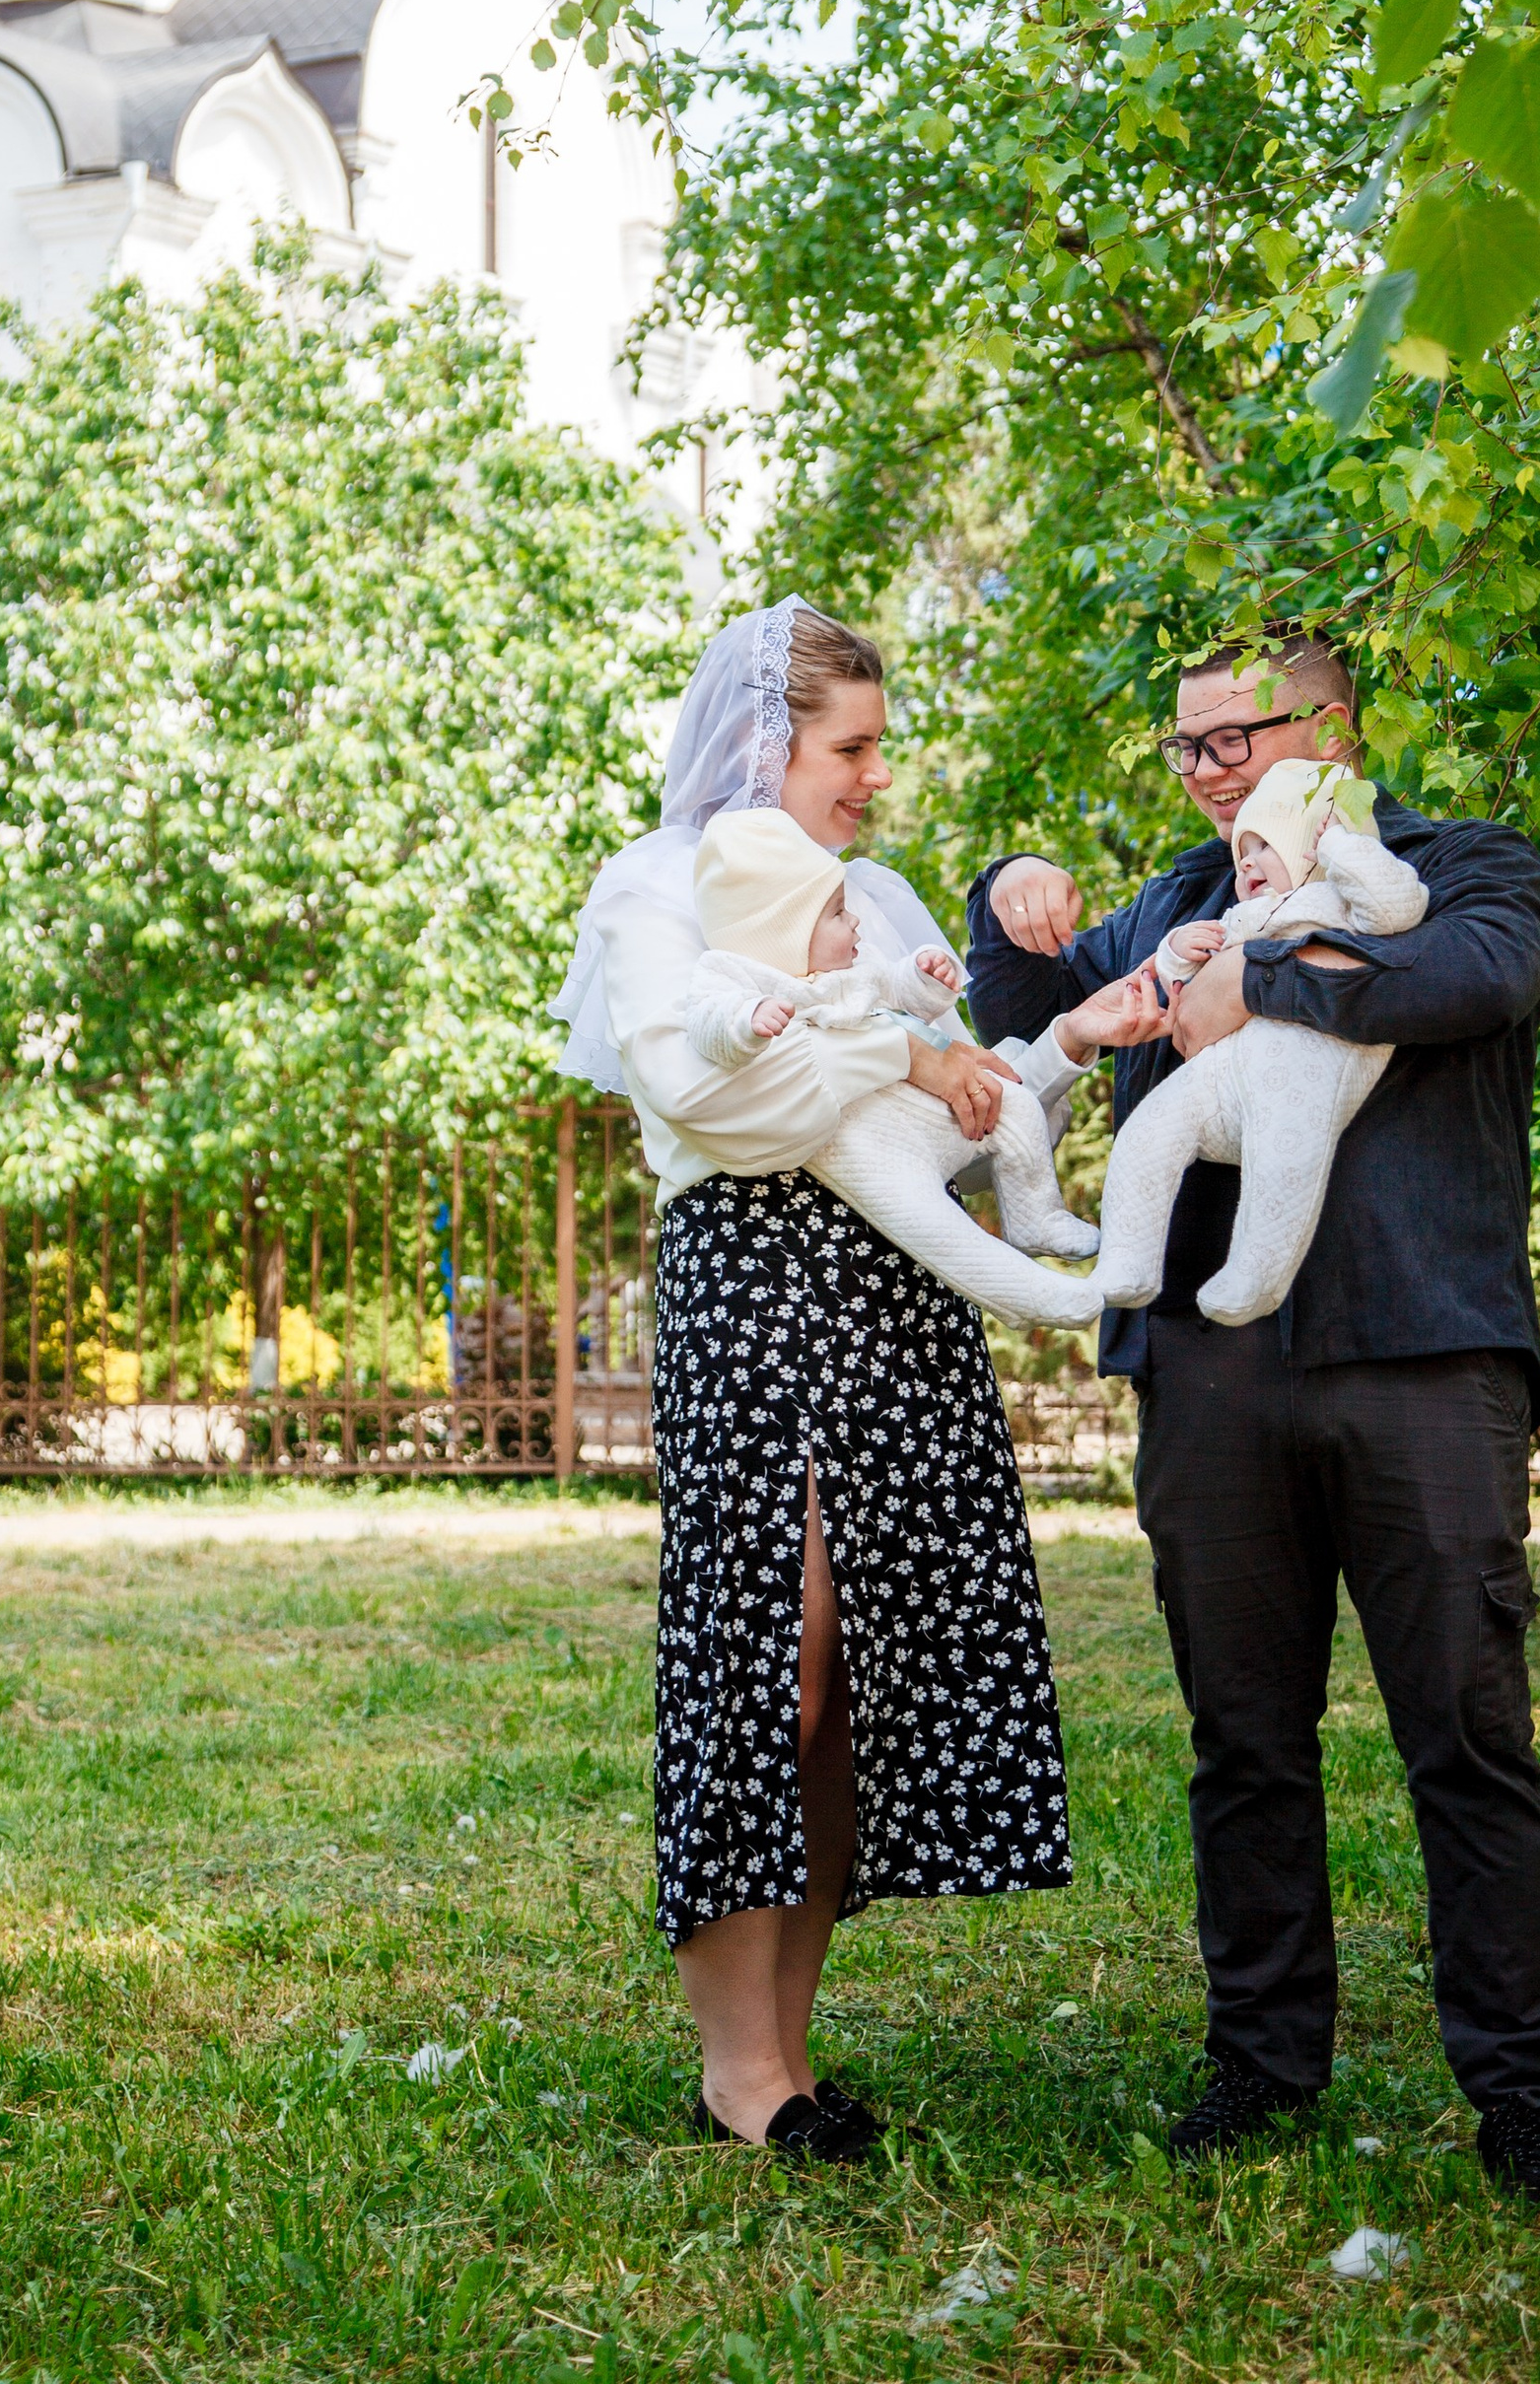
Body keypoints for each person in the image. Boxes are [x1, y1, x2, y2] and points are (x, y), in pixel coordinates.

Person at [966, 631, 1540, 2204]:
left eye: (1238, 736)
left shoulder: (1464, 863)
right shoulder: (1176, 897)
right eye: (1186, 746)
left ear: (1338, 723)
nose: (1210, 769)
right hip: (1210, 1375)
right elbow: (1032, 1011)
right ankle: (1262, 2063)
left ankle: (1519, 2091)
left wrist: (1271, 978)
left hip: (1424, 1363)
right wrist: (1013, 894)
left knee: (1468, 1730)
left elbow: (1475, 977)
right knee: (1242, 1739)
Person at [557, 599, 1072, 2159]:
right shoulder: (653, 888)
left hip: (891, 1298)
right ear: (766, 741)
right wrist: (893, 1054)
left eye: (876, 749)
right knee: (770, 1658)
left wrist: (1020, 1055)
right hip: (754, 1293)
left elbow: (953, 1111)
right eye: (851, 749)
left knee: (858, 1676)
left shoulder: (873, 890)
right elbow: (712, 1102)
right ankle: (736, 2070)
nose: (872, 781)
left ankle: (782, 2056)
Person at [680, 806, 1102, 1331]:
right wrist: (745, 1020)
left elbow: (897, 989)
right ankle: (1037, 1297)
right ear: (785, 929)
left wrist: (926, 975)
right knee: (934, 1225)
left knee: (1009, 1099)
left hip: (924, 1112)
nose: (853, 920)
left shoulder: (850, 970)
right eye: (836, 913)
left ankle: (1036, 1214)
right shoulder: (736, 974)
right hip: (862, 1146)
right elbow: (705, 1022)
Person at [1088, 758, 1429, 1325]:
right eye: (1241, 850)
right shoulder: (1244, 916)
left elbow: (1399, 905)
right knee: (1148, 1129)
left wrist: (1342, 850)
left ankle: (1255, 1277)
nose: (1246, 861)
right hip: (1227, 1069)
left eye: (1265, 845)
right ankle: (1126, 1259)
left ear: (1311, 849)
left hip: (1307, 1063)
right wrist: (1177, 951)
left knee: (1285, 1158)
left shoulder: (1340, 904)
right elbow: (1183, 997)